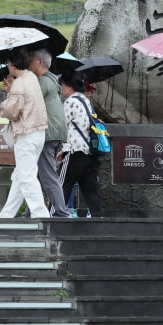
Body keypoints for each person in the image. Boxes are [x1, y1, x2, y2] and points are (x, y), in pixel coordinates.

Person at [0, 49, 51, 218]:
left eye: (8, 63)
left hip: (26, 134)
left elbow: (11, 110)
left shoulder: (20, 82)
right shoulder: (32, 78)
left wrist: (5, 103)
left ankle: (40, 214)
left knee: (26, 177)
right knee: (20, 175)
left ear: (13, 64)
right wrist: (11, 90)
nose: (7, 66)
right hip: (38, 133)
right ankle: (7, 214)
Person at [57, 72, 105, 218]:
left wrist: (63, 150)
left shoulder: (70, 101)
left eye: (62, 86)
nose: (61, 89)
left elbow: (62, 127)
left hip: (75, 152)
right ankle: (99, 222)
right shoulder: (86, 100)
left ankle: (52, 218)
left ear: (68, 86)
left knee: (61, 186)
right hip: (90, 151)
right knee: (91, 191)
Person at [30, 49, 71, 217]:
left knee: (47, 174)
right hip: (54, 133)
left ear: (40, 62)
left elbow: (28, 99)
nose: (28, 63)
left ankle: (61, 212)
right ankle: (31, 210)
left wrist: (13, 87)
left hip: (47, 134)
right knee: (39, 175)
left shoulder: (44, 82)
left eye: (31, 60)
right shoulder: (53, 80)